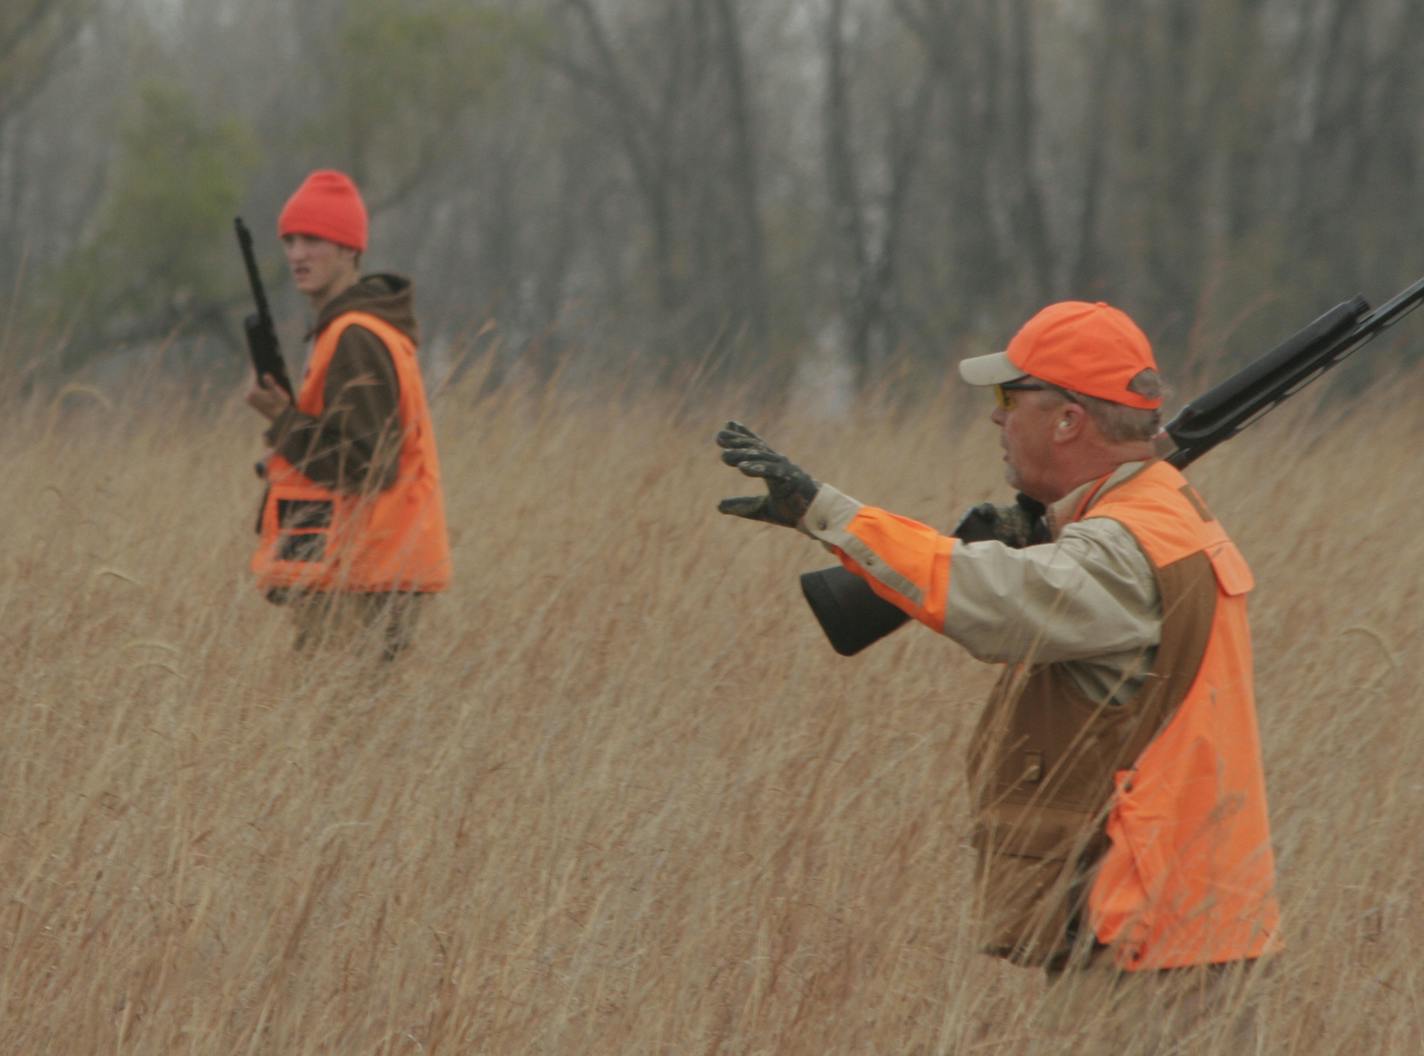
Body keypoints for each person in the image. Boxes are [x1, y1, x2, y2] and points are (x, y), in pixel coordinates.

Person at [715, 301, 1281, 1036]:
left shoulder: (1126, 546)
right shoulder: (1151, 515)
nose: (995, 417)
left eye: (1010, 397)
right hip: (1169, 929)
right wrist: (1044, 529)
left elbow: (999, 604)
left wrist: (831, 514)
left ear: (1069, 420)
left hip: (1156, 951)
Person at [246, 169, 451, 659]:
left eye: (313, 239)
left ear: (349, 250)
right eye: (289, 240)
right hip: (359, 568)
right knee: (343, 726)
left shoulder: (356, 335)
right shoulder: (349, 330)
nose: (296, 254)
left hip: (365, 578)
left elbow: (365, 463)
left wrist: (283, 420)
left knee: (339, 724)